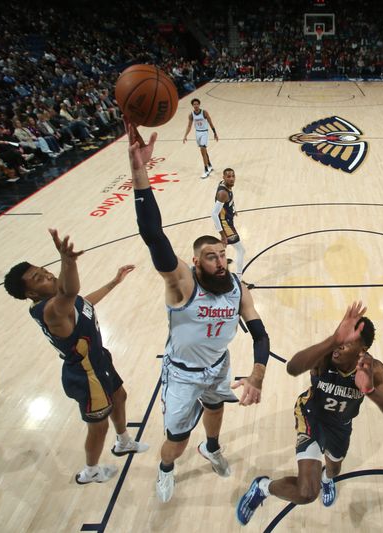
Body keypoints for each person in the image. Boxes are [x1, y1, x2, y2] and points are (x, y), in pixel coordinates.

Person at [126, 120, 270, 503]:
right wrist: (140, 172)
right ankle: (166, 468)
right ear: (195, 260)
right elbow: (153, 234)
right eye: (212, 256)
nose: (221, 261)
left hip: (218, 366)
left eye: (223, 254)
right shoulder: (183, 283)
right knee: (177, 437)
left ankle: (212, 447)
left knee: (216, 410)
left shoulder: (238, 287)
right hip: (182, 374)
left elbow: (260, 334)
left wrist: (257, 374)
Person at [236, 302, 383, 526]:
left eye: (347, 343)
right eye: (340, 337)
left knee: (333, 470)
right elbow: (293, 367)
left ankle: (328, 479)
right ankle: (263, 488)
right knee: (307, 492)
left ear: (362, 350)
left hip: (340, 425)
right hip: (310, 417)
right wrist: (334, 340)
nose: (339, 345)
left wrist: (370, 391)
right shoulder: (326, 356)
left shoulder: (373, 369)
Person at [3, 229, 148, 485]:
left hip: (99, 360)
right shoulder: (52, 311)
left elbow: (83, 303)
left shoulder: (63, 304)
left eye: (43, 269)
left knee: (120, 396)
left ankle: (124, 441)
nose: (47, 274)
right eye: (39, 278)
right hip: (86, 375)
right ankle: (90, 471)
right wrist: (68, 261)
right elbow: (71, 292)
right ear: (31, 294)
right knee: (98, 426)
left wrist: (113, 283)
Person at [212, 168, 248, 281]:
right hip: (225, 225)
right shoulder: (223, 193)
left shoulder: (225, 186)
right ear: (223, 178)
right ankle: (238, 278)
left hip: (228, 221)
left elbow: (230, 199)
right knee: (241, 250)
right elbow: (213, 214)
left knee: (224, 245)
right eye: (228, 176)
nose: (231, 179)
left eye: (233, 176)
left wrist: (233, 209)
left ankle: (217, 262)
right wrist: (222, 234)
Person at [182, 98, 218, 178]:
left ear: (199, 104)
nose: (196, 105)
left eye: (197, 104)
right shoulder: (191, 115)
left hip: (204, 132)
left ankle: (206, 170)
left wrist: (215, 133)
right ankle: (209, 165)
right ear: (192, 105)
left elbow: (210, 122)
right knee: (204, 150)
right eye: (194, 104)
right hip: (197, 133)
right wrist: (185, 135)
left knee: (202, 149)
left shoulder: (204, 112)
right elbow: (189, 126)